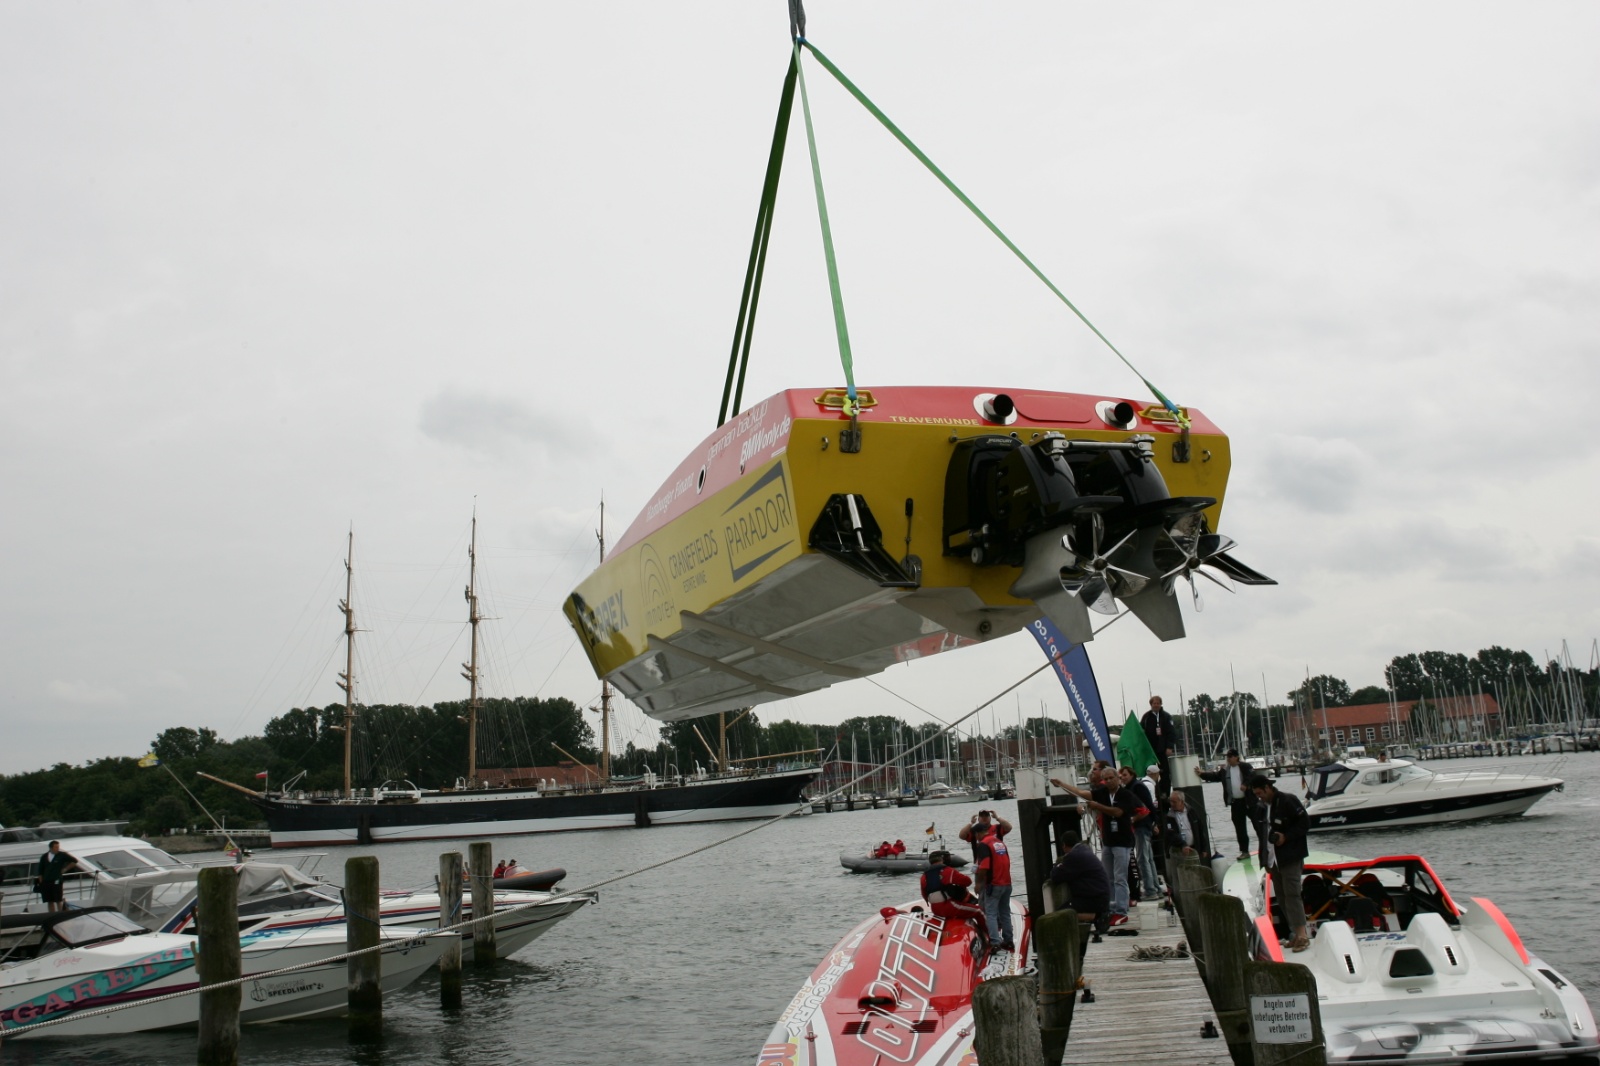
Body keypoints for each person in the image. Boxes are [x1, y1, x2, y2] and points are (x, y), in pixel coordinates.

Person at [1052, 769, 1136, 926]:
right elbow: (1081, 793)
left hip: (1122, 842)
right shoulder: (1102, 792)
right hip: (1108, 841)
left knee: (1120, 878)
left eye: (1112, 778)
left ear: (1118, 778)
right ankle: (1111, 907)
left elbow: (1118, 812)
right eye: (1106, 779)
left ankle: (1122, 911)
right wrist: (1061, 784)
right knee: (1109, 877)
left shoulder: (1126, 795)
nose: (1109, 781)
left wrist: (1098, 806)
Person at [1252, 774, 1310, 952]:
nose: (1259, 796)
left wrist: (1287, 836)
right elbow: (1263, 833)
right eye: (1256, 794)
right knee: (1282, 896)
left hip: (1290, 856)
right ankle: (1295, 933)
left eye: (1260, 792)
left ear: (1268, 788)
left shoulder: (1287, 800)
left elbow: (1305, 823)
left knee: (1293, 894)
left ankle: (1302, 935)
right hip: (1273, 858)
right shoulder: (1262, 808)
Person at [1049, 830, 1112, 961]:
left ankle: (1098, 916)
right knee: (1068, 909)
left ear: (1064, 845)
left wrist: (1057, 866)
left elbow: (1056, 876)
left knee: (1061, 914)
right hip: (1099, 896)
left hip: (1095, 898)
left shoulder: (1074, 857)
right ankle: (1099, 915)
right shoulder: (1084, 850)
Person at [920, 850, 990, 950]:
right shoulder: (948, 871)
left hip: (935, 909)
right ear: (942, 859)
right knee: (978, 911)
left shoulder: (924, 876)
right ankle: (990, 938)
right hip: (949, 906)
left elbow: (924, 895)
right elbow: (967, 881)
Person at [1198, 748, 1259, 858]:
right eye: (1227, 757)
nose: (1228, 759)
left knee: (1258, 824)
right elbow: (1215, 776)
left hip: (1249, 802)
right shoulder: (1225, 770)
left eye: (1230, 757)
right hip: (1236, 803)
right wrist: (1202, 774)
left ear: (1236, 757)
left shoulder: (1245, 767)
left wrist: (1245, 784)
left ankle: (1266, 846)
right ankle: (1244, 851)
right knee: (1240, 829)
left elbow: (1253, 776)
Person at [971, 818, 1014, 951]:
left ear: (978, 834)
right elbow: (1006, 861)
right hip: (1007, 883)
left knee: (991, 913)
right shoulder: (999, 842)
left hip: (994, 884)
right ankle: (1009, 940)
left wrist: (978, 884)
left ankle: (995, 942)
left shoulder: (983, 845)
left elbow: (984, 866)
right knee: (1005, 912)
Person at [1119, 766, 1160, 902]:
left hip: (1142, 825)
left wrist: (1154, 822)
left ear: (1131, 774)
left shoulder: (1137, 787)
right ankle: (1156, 888)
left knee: (1143, 858)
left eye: (1124, 775)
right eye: (1121, 776)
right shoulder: (1131, 787)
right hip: (1143, 824)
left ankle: (1150, 890)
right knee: (1148, 858)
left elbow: (1148, 806)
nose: (1122, 778)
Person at [1140, 696, 1177, 802]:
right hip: (1150, 749)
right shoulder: (1146, 717)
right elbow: (1141, 732)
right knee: (1149, 771)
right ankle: (1151, 792)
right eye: (1154, 703)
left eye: (1158, 703)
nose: (1156, 705)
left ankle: (1164, 792)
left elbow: (1171, 732)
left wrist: (1169, 747)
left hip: (1162, 748)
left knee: (1164, 772)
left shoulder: (1166, 716)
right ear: (1150, 704)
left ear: (1161, 704)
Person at [36, 840, 80, 912]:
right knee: (49, 900)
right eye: (56, 847)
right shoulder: (44, 857)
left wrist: (65, 869)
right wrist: (41, 883)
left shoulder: (62, 855)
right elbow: (40, 871)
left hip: (57, 880)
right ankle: (51, 914)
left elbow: (74, 861)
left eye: (58, 847)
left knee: (58, 899)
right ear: (51, 848)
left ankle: (60, 913)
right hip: (46, 881)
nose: (57, 849)